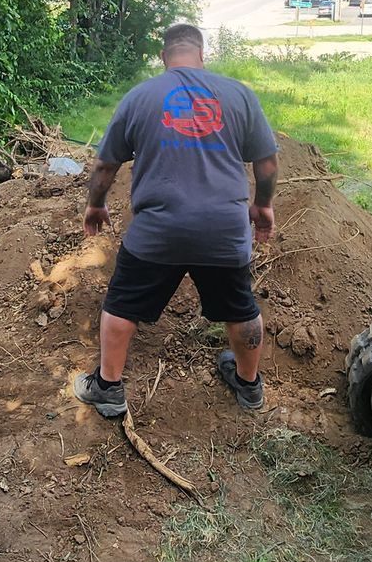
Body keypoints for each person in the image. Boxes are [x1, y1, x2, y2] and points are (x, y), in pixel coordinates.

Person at [75, 23, 279, 418]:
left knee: (122, 304)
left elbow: (105, 166)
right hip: (223, 229)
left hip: (159, 230)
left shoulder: (140, 97)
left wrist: (95, 205)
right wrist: (263, 205)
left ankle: (109, 388)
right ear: (201, 55)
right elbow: (267, 163)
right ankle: (249, 387)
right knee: (240, 307)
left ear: (164, 58)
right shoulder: (239, 95)